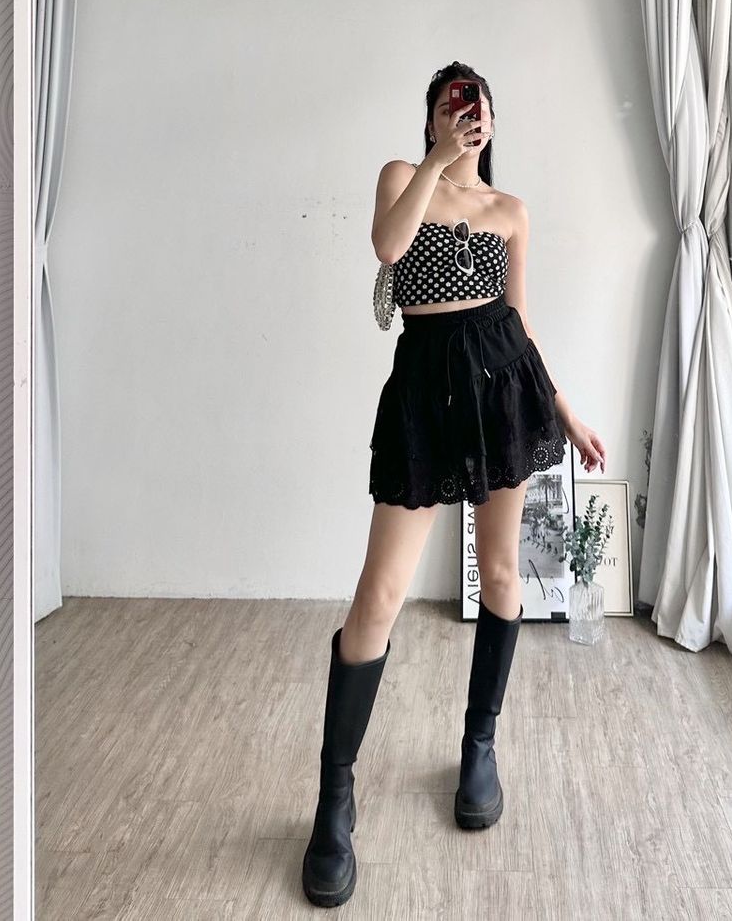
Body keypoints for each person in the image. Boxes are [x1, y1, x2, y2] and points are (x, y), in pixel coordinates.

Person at [301, 62, 607, 908]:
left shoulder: (511, 211)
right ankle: (334, 798)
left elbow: (521, 322)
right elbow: (387, 248)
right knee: (379, 597)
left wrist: (567, 411)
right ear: (433, 117)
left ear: (492, 122)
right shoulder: (404, 177)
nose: (463, 112)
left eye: (474, 104)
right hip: (423, 396)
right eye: (449, 102)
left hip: (504, 391)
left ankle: (479, 747)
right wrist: (436, 158)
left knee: (502, 574)